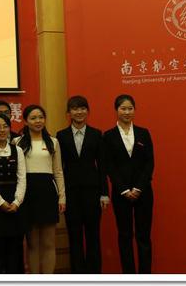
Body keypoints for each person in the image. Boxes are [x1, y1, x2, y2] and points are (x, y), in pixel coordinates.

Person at [56, 95, 109, 273]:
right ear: (68, 113)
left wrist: (104, 193)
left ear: (88, 111)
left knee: (93, 236)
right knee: (75, 237)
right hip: (71, 193)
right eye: (75, 109)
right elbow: (59, 168)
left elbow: (102, 166)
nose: (79, 112)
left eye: (82, 108)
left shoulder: (97, 134)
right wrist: (61, 195)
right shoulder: (61, 136)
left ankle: (94, 275)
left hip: (93, 193)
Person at [103, 94, 154, 274]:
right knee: (125, 236)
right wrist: (124, 189)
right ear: (116, 110)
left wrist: (138, 188)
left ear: (134, 110)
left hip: (143, 192)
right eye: (123, 108)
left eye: (130, 108)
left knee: (143, 236)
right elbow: (109, 165)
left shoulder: (143, 133)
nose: (127, 112)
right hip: (121, 194)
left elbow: (150, 163)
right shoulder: (108, 136)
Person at [12, 104, 65, 274]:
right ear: (25, 121)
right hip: (27, 193)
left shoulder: (53, 142)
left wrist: (62, 196)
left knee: (49, 243)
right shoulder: (17, 142)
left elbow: (58, 171)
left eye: (41, 117)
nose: (38, 121)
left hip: (47, 192)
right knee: (32, 243)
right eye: (33, 118)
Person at [0, 113, 26, 274]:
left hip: (15, 204)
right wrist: (0, 202)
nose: (2, 130)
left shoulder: (17, 150)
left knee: (15, 249)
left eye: (5, 126)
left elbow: (22, 178)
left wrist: (17, 201)